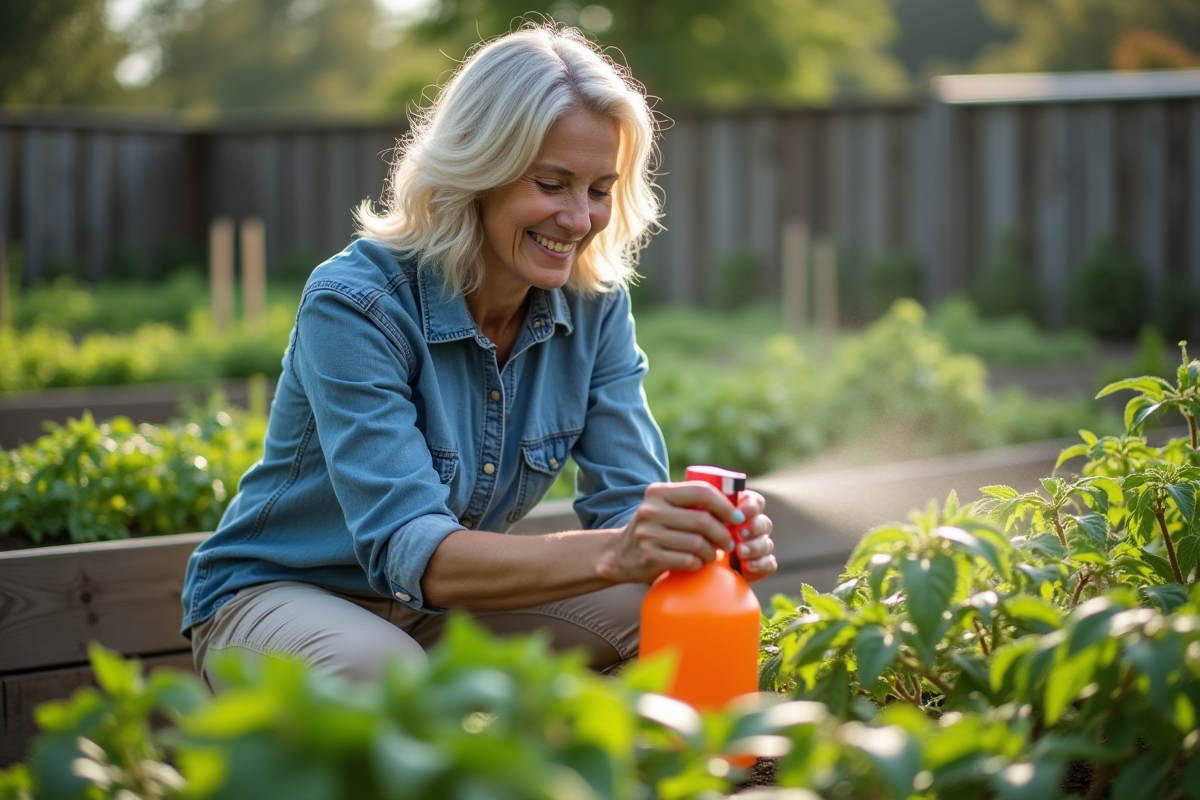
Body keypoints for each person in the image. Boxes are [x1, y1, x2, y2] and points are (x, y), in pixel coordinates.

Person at [181, 23, 777, 685]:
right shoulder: (356, 304)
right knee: (381, 670)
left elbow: (627, 506)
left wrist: (695, 539)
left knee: (666, 607)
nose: (580, 221)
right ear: (477, 173)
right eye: (552, 184)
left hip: (442, 611)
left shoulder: (594, 305)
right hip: (284, 597)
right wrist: (620, 549)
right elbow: (415, 551)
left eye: (600, 190)